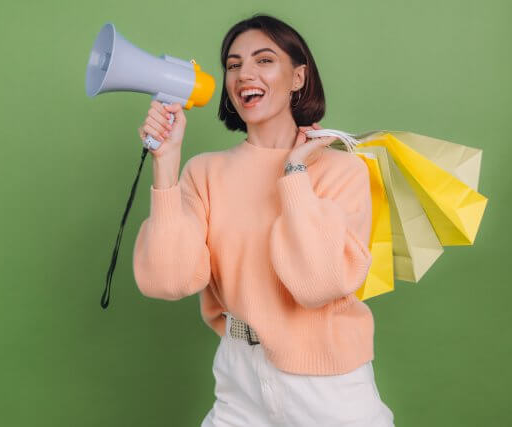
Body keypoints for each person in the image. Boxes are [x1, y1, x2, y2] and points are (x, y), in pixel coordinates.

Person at [134, 13, 395, 427]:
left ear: (298, 77)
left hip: (327, 385)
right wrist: (165, 165)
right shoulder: (204, 172)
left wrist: (294, 174)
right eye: (234, 64)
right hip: (239, 378)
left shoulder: (342, 172)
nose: (244, 74)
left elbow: (317, 284)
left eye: (264, 60)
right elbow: (167, 281)